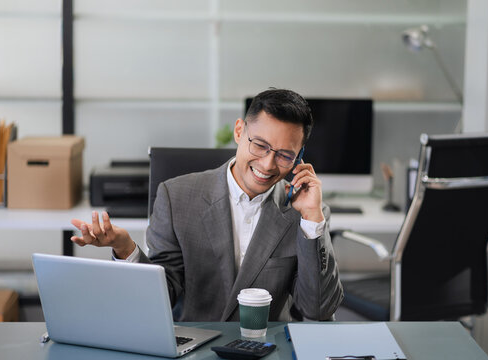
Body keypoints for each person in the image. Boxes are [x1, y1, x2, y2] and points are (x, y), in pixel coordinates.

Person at [71, 88, 343, 321]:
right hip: (196, 344)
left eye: (285, 155)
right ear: (239, 131)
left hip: (267, 346)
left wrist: (311, 220)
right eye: (260, 145)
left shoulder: (306, 214)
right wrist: (124, 247)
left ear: (299, 158)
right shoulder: (175, 196)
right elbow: (162, 295)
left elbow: (318, 309)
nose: (268, 164)